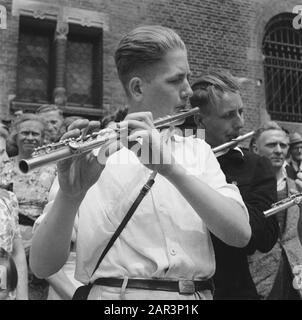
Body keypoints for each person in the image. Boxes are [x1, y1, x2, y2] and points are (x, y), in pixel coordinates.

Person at [30, 25, 251, 300]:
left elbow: (240, 234)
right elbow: (41, 265)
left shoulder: (197, 150)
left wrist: (171, 170)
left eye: (188, 79)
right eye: (175, 80)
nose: (188, 92)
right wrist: (69, 196)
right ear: (137, 88)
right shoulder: (94, 155)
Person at [190, 70, 279, 300]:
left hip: (232, 291)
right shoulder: (177, 159)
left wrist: (220, 193)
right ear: (200, 120)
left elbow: (264, 237)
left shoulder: (255, 165)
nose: (240, 122)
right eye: (229, 115)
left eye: (241, 111)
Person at [0, 113, 57, 300]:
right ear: (15, 136)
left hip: (40, 241)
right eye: (25, 133)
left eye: (35, 134)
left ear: (43, 138)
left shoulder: (53, 168)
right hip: (7, 242)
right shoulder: (4, 166)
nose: (30, 138)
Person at [249, 121, 302, 299]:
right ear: (255, 149)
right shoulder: (245, 190)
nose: (279, 150)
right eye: (271, 145)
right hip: (259, 276)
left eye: (283, 145)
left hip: (295, 274)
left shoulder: (297, 187)